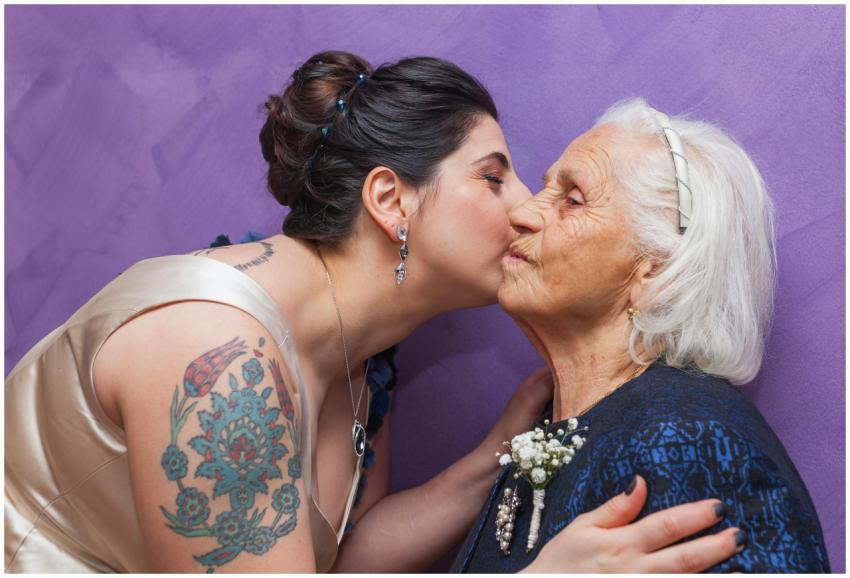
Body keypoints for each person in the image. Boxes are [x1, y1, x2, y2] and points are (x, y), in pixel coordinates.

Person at [5, 53, 742, 573]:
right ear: (390, 200)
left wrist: (504, 453)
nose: (525, 209)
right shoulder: (218, 350)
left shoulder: (365, 364)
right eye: (494, 177)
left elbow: (348, 555)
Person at [452, 98, 830, 573]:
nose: (524, 213)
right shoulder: (563, 422)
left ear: (655, 272)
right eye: (548, 187)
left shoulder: (687, 443)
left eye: (571, 200)